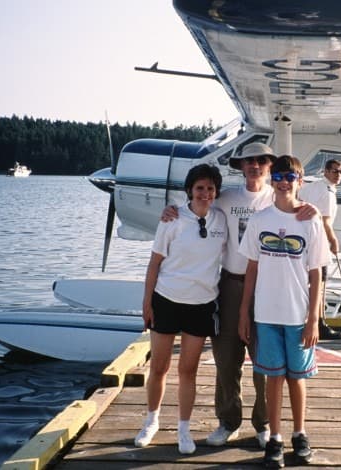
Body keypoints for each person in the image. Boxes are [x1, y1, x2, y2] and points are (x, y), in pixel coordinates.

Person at [160, 142, 318, 450]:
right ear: (240, 166)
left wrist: (314, 209)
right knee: (226, 357)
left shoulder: (282, 197)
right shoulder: (227, 198)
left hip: (269, 286)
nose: (254, 165)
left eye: (261, 160)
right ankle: (228, 421)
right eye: (248, 160)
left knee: (265, 358)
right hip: (231, 284)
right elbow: (195, 206)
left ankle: (263, 425)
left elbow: (306, 215)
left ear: (271, 167)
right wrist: (171, 210)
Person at [238, 155, 327, 468]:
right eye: (278, 175)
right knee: (272, 378)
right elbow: (251, 268)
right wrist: (244, 313)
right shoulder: (260, 220)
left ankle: (299, 433)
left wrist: (313, 319)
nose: (284, 181)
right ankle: (274, 437)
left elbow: (316, 273)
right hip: (265, 314)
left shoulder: (310, 221)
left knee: (296, 378)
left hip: (298, 315)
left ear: (300, 182)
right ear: (271, 180)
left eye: (291, 176)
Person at [134, 164, 227, 454]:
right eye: (200, 188)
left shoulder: (221, 220)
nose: (205, 193)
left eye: (210, 189)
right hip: (167, 300)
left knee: (188, 370)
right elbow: (154, 264)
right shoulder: (171, 219)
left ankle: (184, 429)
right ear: (190, 190)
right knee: (159, 367)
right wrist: (146, 303)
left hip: (201, 305)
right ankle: (151, 420)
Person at [298, 159, 341, 340]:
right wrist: (333, 240)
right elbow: (325, 221)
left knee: (314, 282)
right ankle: (319, 322)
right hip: (318, 241)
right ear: (325, 171)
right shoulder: (327, 193)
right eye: (334, 171)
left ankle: (315, 319)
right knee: (320, 283)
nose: (337, 175)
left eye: (340, 172)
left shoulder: (315, 186)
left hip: (305, 239)